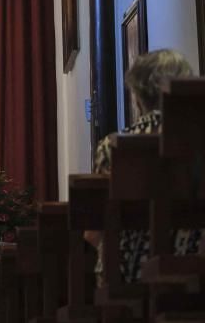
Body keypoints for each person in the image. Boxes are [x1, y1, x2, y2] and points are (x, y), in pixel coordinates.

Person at [84, 49, 200, 285]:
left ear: (137, 97)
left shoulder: (112, 147)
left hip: (130, 272)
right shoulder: (198, 143)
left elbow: (94, 232)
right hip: (197, 268)